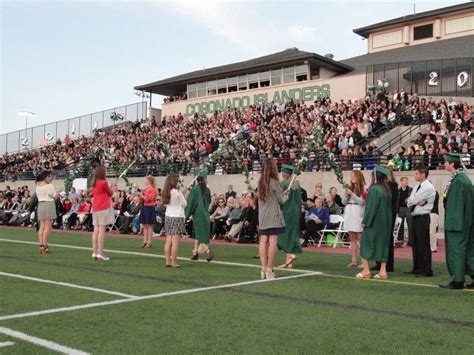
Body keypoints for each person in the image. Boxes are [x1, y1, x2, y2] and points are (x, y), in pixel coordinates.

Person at [439, 153, 473, 289]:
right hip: (467, 222)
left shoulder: (458, 181)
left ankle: (458, 280)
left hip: (457, 223)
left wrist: (452, 223)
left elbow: (456, 205)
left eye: (446, 162)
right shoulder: (463, 179)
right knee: (469, 250)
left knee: (456, 250)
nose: (444, 164)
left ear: (452, 164)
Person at [356, 166, 392, 280]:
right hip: (385, 223)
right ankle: (382, 272)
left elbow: (371, 208)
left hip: (374, 223)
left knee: (365, 244)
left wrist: (365, 221)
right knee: (382, 246)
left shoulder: (374, 189)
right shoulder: (386, 190)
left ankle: (366, 270)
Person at [258, 158, 288, 279]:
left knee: (263, 240)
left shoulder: (260, 182)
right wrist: (286, 195)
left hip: (262, 215)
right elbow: (281, 200)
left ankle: (263, 268)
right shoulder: (274, 181)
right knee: (273, 242)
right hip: (273, 215)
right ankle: (270, 269)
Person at [406, 166, 436, 277]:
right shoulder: (417, 186)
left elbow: (412, 200)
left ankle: (426, 270)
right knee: (416, 244)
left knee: (423, 244)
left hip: (423, 217)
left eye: (416, 174)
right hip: (415, 217)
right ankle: (417, 267)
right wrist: (414, 201)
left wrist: (413, 201)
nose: (415, 176)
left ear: (423, 174)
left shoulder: (428, 186)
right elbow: (409, 201)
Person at [373, 169, 399, 272]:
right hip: (382, 214)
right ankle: (379, 262)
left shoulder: (393, 185)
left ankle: (388, 264)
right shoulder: (381, 186)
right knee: (379, 239)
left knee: (387, 239)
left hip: (389, 214)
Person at [277, 164, 303, 268]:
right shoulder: (297, 185)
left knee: (283, 235)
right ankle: (289, 261)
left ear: (284, 173)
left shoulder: (284, 184)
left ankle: (291, 254)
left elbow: (279, 198)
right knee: (292, 234)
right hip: (295, 212)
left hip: (286, 212)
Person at [185, 171, 214, 262]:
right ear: (204, 180)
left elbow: (191, 203)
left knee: (199, 234)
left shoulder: (195, 189)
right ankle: (195, 253)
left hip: (198, 214)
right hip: (205, 214)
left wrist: (186, 215)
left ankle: (208, 251)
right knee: (198, 233)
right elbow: (209, 201)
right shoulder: (207, 190)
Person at [90, 166, 115, 261]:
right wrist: (112, 188)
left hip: (95, 208)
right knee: (101, 231)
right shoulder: (104, 182)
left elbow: (91, 194)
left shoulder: (94, 183)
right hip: (103, 208)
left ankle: (94, 252)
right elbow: (110, 193)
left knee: (95, 231)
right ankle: (100, 253)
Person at [342, 170, 366, 267]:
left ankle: (364, 261)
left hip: (358, 211)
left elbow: (362, 202)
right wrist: (347, 195)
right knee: (352, 237)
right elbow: (343, 202)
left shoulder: (364, 188)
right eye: (351, 175)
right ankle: (353, 260)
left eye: (354, 176)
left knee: (360, 237)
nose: (352, 177)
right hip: (349, 211)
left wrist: (352, 194)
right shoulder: (349, 187)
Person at [162, 175, 187, 268]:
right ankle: (174, 262)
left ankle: (167, 261)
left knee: (168, 240)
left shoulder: (166, 191)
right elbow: (184, 204)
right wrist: (181, 193)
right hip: (177, 217)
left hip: (168, 216)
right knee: (175, 241)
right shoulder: (177, 192)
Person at [35, 171, 56, 254]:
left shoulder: (37, 186)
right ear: (46, 177)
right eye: (49, 177)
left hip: (40, 205)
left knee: (42, 226)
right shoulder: (49, 186)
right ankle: (45, 245)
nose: (50, 178)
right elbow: (54, 195)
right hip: (48, 204)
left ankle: (41, 245)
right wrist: (58, 192)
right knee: (47, 227)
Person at [138, 176, 158, 248]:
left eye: (146, 180)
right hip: (144, 207)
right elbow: (143, 198)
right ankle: (145, 241)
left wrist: (142, 196)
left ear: (149, 181)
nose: (144, 181)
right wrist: (140, 195)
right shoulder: (146, 189)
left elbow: (149, 199)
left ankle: (149, 242)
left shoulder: (152, 189)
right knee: (144, 225)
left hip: (149, 207)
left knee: (149, 225)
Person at [397, 177, 413, 246]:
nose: (406, 182)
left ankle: (411, 241)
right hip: (400, 208)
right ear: (401, 182)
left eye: (407, 181)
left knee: (410, 224)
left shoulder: (411, 190)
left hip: (408, 208)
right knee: (400, 225)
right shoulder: (398, 190)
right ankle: (400, 240)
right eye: (405, 181)